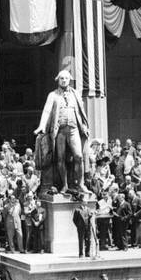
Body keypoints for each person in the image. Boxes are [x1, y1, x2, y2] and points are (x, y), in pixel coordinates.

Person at [36, 69, 89, 198]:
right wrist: (41, 126)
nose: (64, 80)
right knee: (60, 158)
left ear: (69, 80)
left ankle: (80, 184)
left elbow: (81, 111)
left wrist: (84, 126)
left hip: (73, 129)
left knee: (79, 156)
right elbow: (47, 111)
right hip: (59, 130)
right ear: (58, 80)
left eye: (66, 78)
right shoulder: (53, 95)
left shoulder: (75, 94)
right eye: (61, 78)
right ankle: (65, 185)